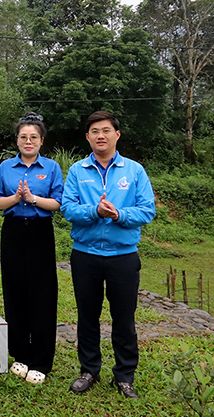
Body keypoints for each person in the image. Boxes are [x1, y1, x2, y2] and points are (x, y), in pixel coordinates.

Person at [62, 110, 155, 399]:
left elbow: (147, 210)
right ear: (88, 137)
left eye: (106, 130)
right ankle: (89, 370)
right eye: (94, 131)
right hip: (85, 254)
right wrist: (94, 211)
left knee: (123, 318)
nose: (100, 136)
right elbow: (67, 208)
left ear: (117, 134)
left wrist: (119, 214)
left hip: (123, 256)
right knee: (87, 315)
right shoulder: (78, 171)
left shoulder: (134, 171)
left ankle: (125, 376)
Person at [0, 112, 63, 385]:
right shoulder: (6, 168)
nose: (28, 141)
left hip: (40, 233)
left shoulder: (52, 168)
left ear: (41, 140)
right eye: (23, 137)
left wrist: (33, 199)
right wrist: (15, 198)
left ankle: (41, 360)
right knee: (15, 291)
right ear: (17, 140)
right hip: (12, 233)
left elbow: (58, 203)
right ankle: (20, 354)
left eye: (33, 137)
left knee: (43, 294)